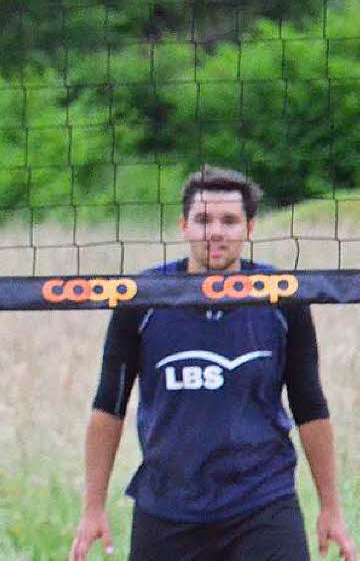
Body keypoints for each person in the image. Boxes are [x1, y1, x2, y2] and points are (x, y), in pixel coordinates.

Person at [69, 165, 355, 561]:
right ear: (184, 225)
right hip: (168, 506)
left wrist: (331, 508)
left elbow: (310, 405)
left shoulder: (282, 297)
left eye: (229, 220)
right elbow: (108, 406)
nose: (216, 231)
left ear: (249, 228)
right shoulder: (142, 298)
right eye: (204, 219)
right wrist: (92, 507)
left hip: (261, 501)